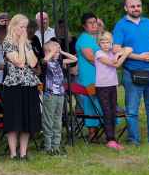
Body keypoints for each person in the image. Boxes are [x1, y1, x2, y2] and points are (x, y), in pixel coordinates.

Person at [112, 0, 149, 146]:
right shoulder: (121, 25)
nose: (136, 9)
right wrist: (138, 57)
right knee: (132, 109)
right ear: (126, 8)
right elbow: (116, 48)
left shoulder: (148, 22)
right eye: (132, 6)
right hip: (132, 72)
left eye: (138, 6)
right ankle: (134, 140)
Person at [0, 14, 41, 161]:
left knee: (26, 119)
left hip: (29, 84)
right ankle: (13, 154)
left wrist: (24, 44)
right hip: (13, 85)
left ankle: (23, 153)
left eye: (26, 27)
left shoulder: (26, 42)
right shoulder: (7, 44)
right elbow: (20, 62)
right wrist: (22, 45)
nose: (24, 30)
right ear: (13, 27)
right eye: (22, 27)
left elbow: (33, 63)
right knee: (14, 120)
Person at [40, 40, 78, 156]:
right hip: (49, 95)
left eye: (57, 51)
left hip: (60, 95)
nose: (57, 53)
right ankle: (48, 147)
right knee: (48, 121)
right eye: (54, 51)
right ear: (47, 52)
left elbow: (74, 59)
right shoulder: (44, 62)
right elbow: (45, 60)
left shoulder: (59, 61)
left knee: (57, 120)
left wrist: (62, 52)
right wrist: (52, 52)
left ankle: (56, 147)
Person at [94, 32, 130, 149]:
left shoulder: (112, 52)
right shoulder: (99, 54)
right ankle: (110, 139)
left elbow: (129, 48)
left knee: (113, 112)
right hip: (102, 87)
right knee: (107, 112)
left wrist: (118, 53)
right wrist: (125, 54)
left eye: (107, 42)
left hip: (112, 85)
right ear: (99, 43)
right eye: (102, 42)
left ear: (111, 43)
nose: (105, 45)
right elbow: (115, 65)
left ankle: (113, 138)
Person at [74, 13, 104, 141]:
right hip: (90, 76)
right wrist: (108, 64)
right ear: (84, 26)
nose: (93, 24)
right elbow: (91, 57)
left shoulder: (99, 38)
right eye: (89, 22)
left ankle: (105, 132)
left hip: (103, 76)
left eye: (94, 22)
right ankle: (92, 134)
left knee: (103, 102)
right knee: (91, 102)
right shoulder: (84, 38)